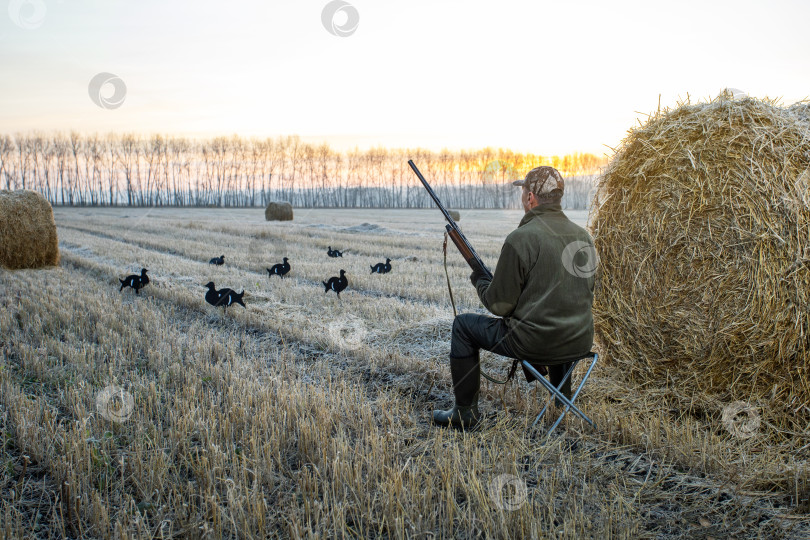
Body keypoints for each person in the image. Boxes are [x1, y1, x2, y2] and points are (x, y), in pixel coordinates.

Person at [432, 166, 596, 429]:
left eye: (523, 193)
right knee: (561, 315)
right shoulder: (583, 237)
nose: (522, 199)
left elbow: (499, 305)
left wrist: (481, 280)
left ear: (530, 197)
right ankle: (562, 398)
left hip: (533, 343)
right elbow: (581, 294)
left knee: (462, 326)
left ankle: (465, 414)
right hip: (579, 341)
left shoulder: (521, 239)